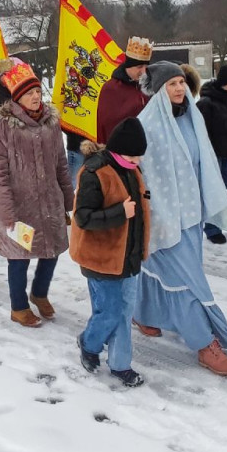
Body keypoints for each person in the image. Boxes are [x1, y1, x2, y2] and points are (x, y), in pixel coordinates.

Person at [134, 61, 227, 376]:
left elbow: (204, 164)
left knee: (161, 270)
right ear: (158, 91)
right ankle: (204, 343)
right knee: (188, 282)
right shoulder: (146, 125)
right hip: (163, 218)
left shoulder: (192, 119)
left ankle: (143, 313)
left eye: (182, 82)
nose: (179, 88)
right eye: (171, 84)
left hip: (191, 217)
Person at [0, 63, 74, 326]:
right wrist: (6, 214)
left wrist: (68, 201)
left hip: (49, 202)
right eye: (29, 93)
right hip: (18, 207)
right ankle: (19, 306)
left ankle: (39, 293)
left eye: (37, 91)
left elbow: (61, 163)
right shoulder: (2, 129)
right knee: (19, 258)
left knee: (52, 252)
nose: (36, 97)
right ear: (17, 98)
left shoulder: (51, 124)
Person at [72, 118, 151, 388]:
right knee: (109, 312)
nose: (137, 161)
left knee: (124, 313)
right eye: (132, 155)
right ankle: (89, 342)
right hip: (101, 259)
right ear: (117, 150)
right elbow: (82, 218)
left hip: (128, 256)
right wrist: (120, 213)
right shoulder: (94, 172)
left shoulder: (130, 168)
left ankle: (120, 365)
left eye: (140, 155)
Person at [197, 64, 227, 245]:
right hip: (213, 156)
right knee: (214, 192)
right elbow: (202, 132)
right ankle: (212, 228)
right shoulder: (206, 103)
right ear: (222, 83)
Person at [97, 36, 153, 144]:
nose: (144, 71)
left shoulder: (148, 85)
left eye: (146, 66)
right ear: (129, 66)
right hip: (121, 150)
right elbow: (106, 125)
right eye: (139, 67)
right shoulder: (111, 89)